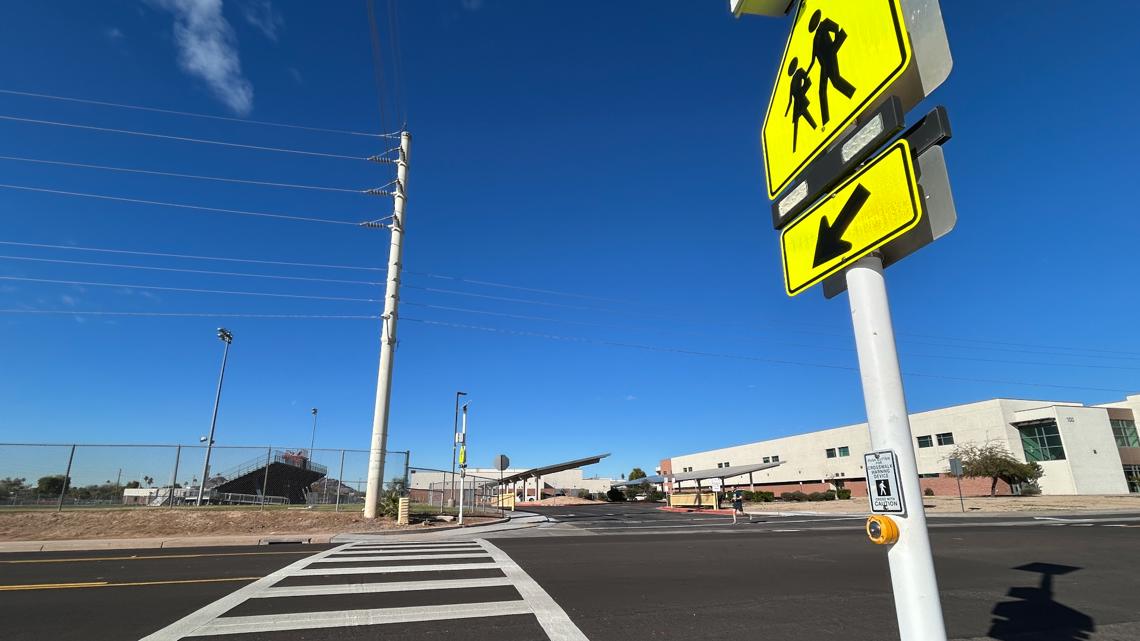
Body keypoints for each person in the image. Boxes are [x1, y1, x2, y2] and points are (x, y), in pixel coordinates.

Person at [806, 9, 856, 125]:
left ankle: (853, 94)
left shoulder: (825, 24)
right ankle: (825, 121)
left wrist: (835, 45)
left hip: (830, 56)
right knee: (821, 91)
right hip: (823, 65)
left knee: (836, 81)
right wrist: (806, 72)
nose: (813, 24)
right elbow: (813, 59)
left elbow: (837, 28)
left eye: (814, 21)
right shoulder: (814, 40)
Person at [783, 57, 816, 153]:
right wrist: (786, 113)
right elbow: (790, 100)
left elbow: (808, 81)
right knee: (796, 125)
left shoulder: (800, 71)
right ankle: (794, 150)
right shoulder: (791, 83)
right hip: (796, 105)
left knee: (809, 118)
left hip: (801, 100)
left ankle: (817, 130)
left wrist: (802, 92)